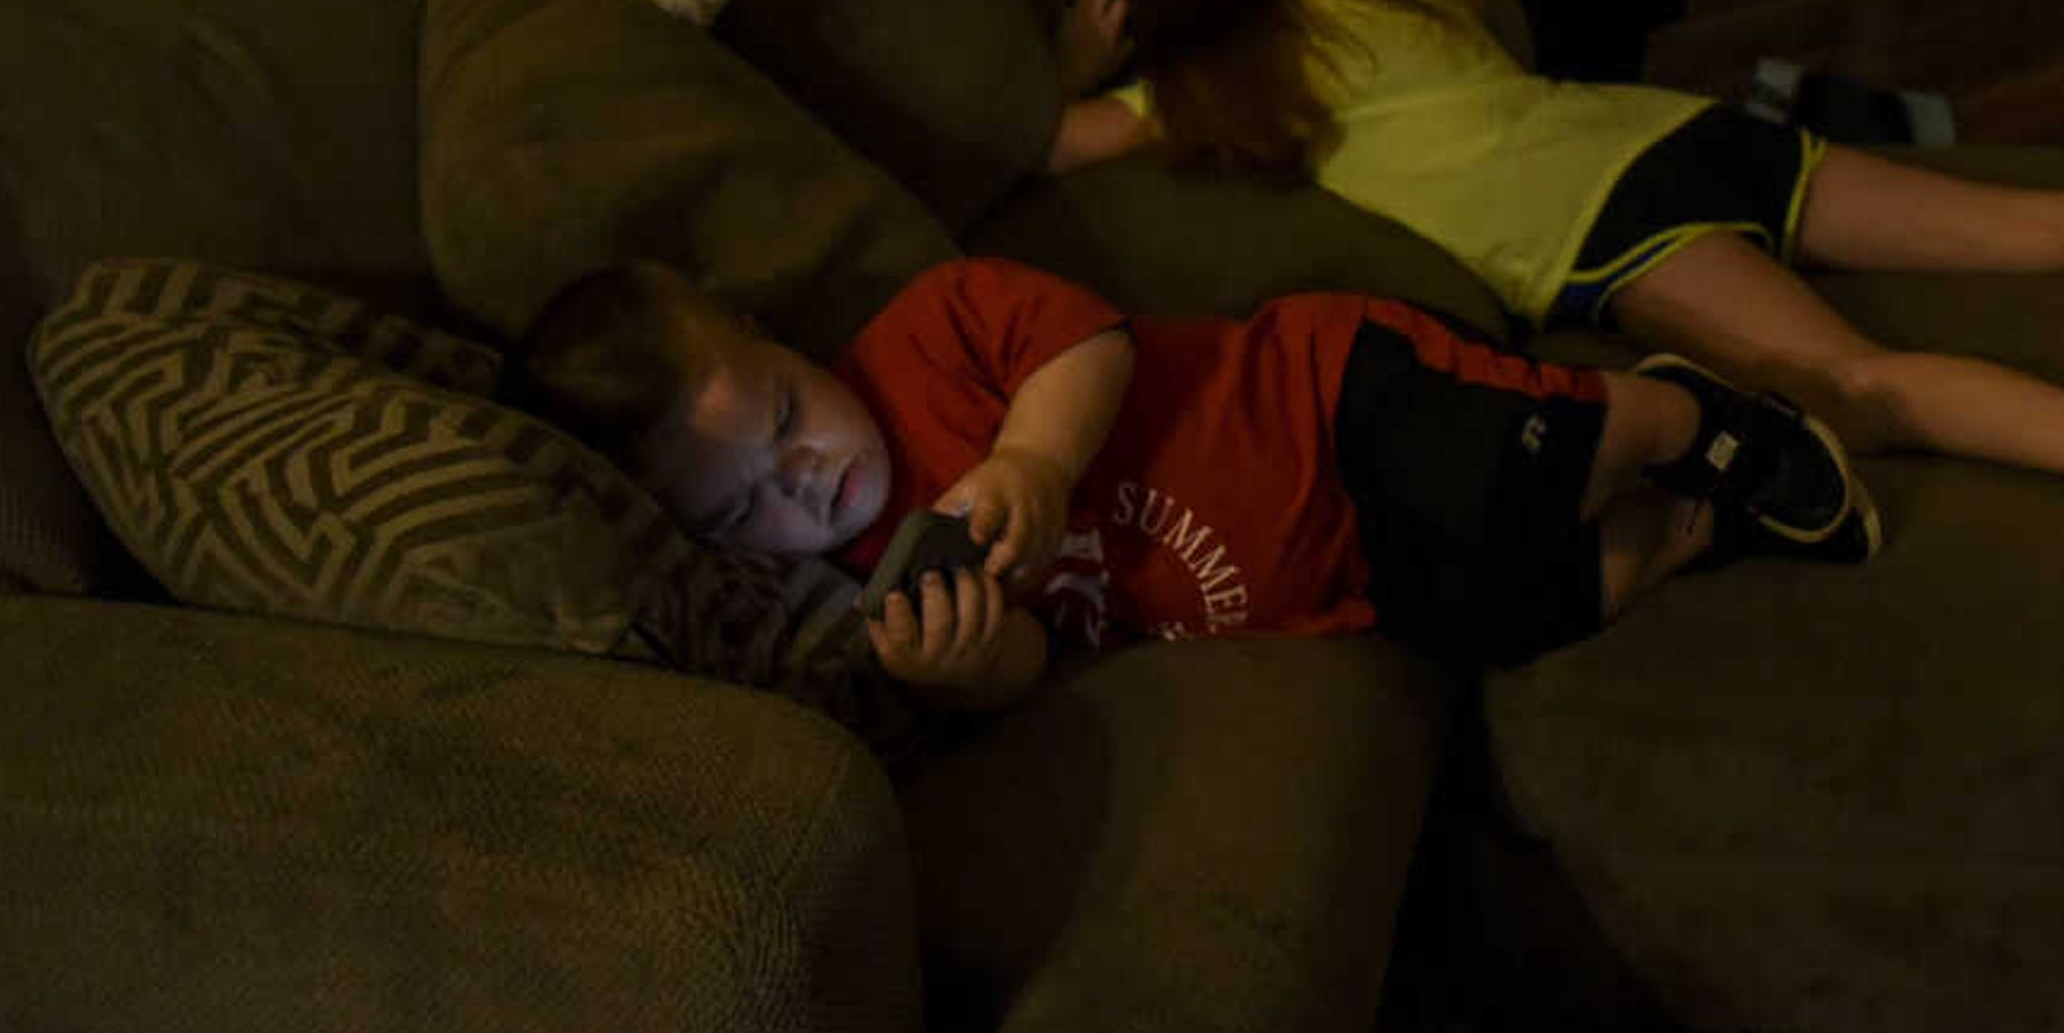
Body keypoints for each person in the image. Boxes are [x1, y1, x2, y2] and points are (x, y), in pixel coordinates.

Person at [1042, 0, 2064, 679]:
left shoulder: (1203, 90)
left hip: (1613, 232)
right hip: (1680, 133)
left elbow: (1047, 145)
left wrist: (1080, 49)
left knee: (1868, 389)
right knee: (2038, 225)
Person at [503, 250, 1885, 711]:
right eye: (743, 505)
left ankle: (1683, 416)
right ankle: (1695, 524)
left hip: (1325, 408)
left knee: (1516, 467)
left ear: (784, 338)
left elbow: (1082, 337)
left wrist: (1033, 456)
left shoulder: (929, 332)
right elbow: (1037, 659)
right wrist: (967, 666)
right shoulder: (874, 584)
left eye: (788, 417)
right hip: (1326, 581)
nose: (802, 485)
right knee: (1522, 611)